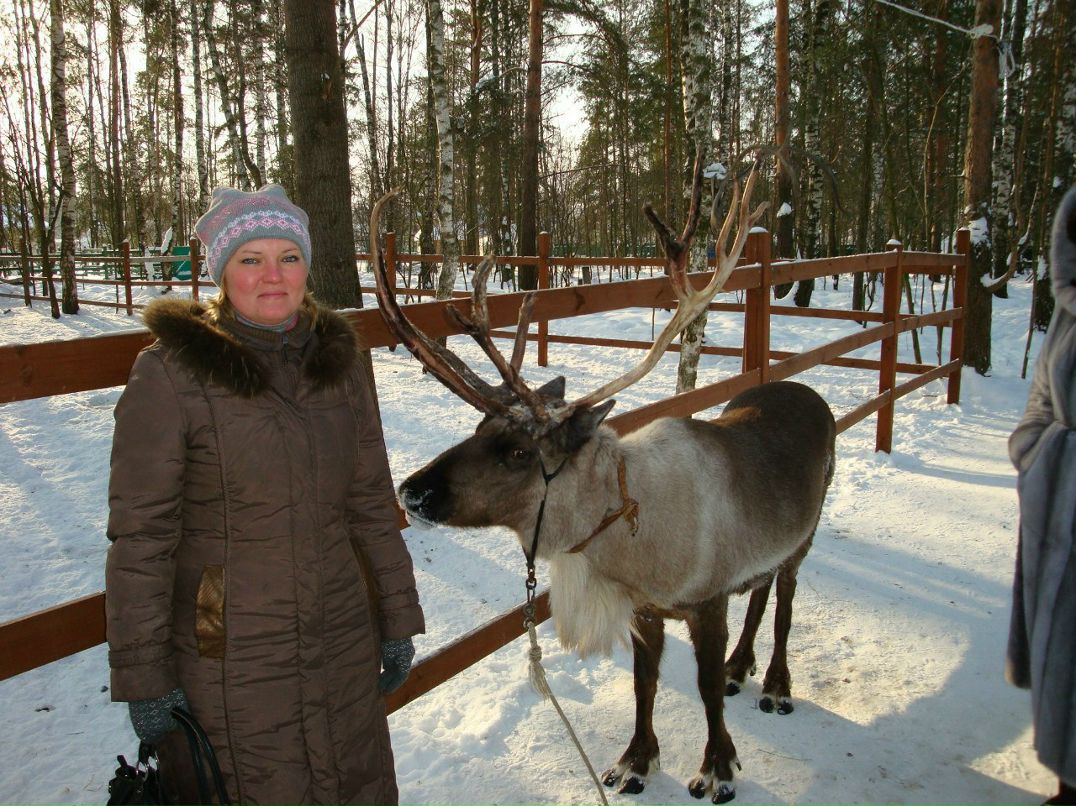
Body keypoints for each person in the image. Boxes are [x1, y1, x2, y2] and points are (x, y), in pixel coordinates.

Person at [105, 185, 425, 806]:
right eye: (251, 259)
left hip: (340, 626)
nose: (273, 276)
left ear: (308, 267)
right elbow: (141, 537)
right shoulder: (171, 374)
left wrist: (396, 619)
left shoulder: (341, 364)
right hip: (224, 641)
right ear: (222, 272)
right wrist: (145, 676)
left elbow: (369, 504)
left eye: (289, 257)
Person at [1008, 184, 1076, 806]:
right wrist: (1032, 452)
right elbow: (1043, 395)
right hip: (1059, 499)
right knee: (1066, 654)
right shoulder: (1069, 308)